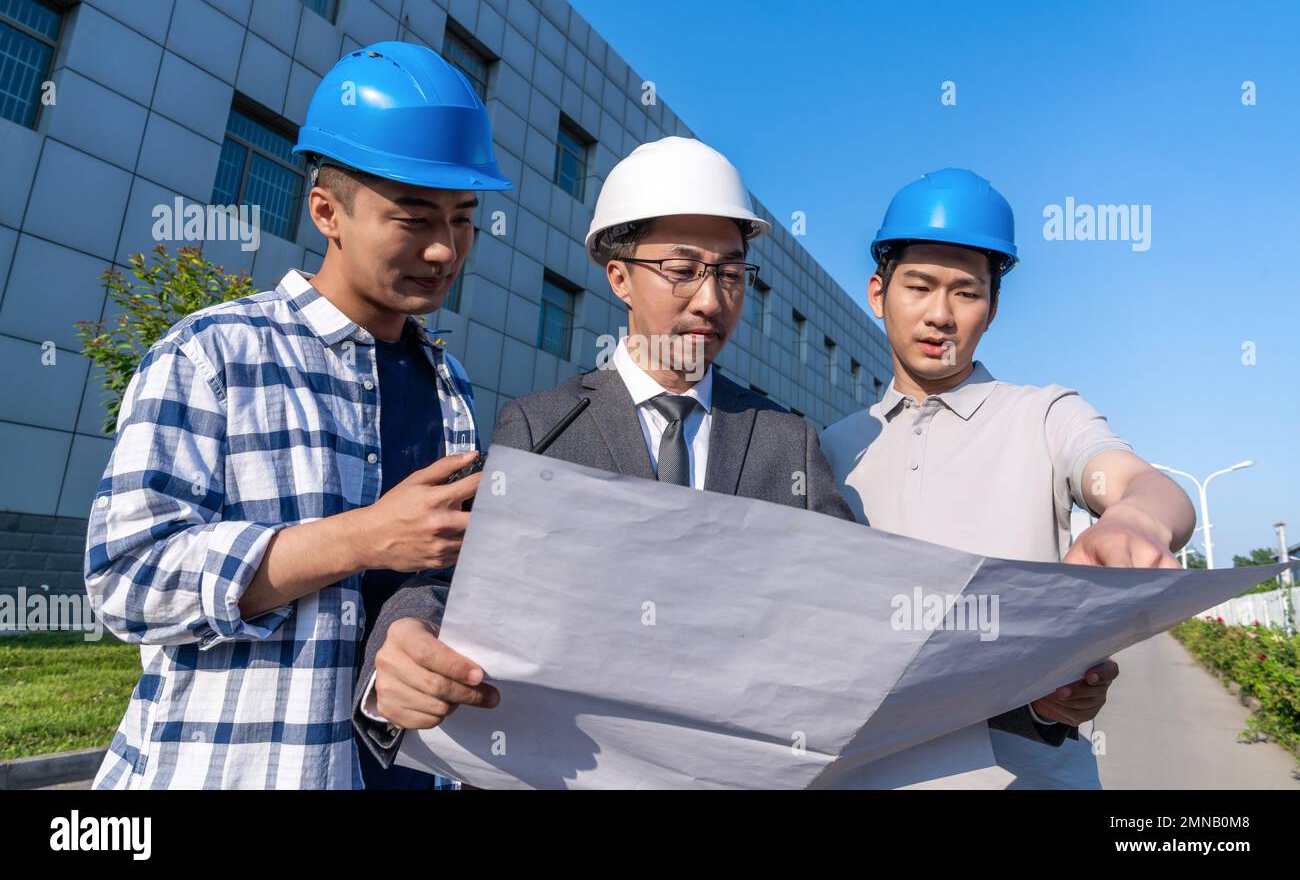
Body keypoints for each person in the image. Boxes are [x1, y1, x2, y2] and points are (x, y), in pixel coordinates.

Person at [351, 140, 1093, 778]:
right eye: (682, 268)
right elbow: (451, 583)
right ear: (618, 276)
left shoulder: (785, 440)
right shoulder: (540, 428)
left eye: (732, 273)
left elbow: (860, 620)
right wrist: (402, 645)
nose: (711, 300)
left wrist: (1030, 697)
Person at [83, 41, 512, 789]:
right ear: (326, 211)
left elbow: (438, 582)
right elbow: (125, 577)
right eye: (413, 218)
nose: (445, 248)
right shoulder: (213, 354)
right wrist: (362, 535)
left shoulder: (450, 386)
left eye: (464, 217)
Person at [820, 167, 1195, 788]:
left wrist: (1134, 518)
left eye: (966, 292)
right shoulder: (834, 447)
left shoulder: (1045, 416)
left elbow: (1140, 485)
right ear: (877, 293)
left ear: (991, 310)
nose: (940, 314)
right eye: (918, 286)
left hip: (1027, 769)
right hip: (870, 770)